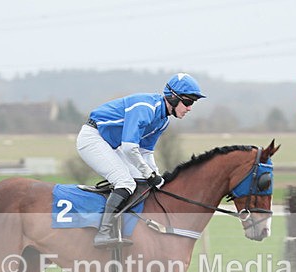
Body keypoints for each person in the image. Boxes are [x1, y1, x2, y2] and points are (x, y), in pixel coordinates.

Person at [77, 73, 206, 248]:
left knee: (141, 181)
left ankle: (126, 226)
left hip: (111, 145)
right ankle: (103, 232)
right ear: (173, 98)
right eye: (188, 102)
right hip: (93, 138)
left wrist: (157, 178)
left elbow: (145, 152)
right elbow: (130, 147)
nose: (190, 108)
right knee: (125, 182)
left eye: (193, 103)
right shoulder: (145, 108)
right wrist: (149, 174)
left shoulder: (163, 121)